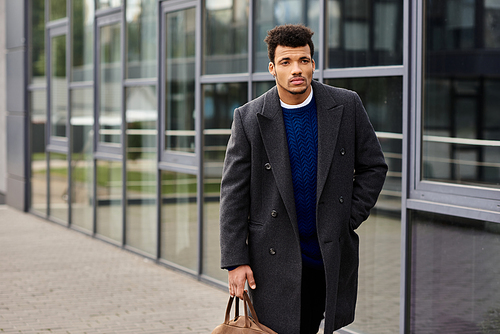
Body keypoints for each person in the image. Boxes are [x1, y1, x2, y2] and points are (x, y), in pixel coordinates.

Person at [219, 24, 388, 334]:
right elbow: (233, 194)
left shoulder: (345, 105)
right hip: (272, 259)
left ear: (313, 63)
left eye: (304, 60)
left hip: (326, 254)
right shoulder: (250, 118)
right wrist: (235, 261)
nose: (296, 69)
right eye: (286, 62)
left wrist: (347, 217)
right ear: (272, 68)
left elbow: (374, 166)